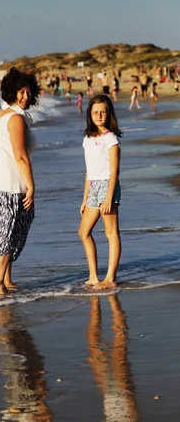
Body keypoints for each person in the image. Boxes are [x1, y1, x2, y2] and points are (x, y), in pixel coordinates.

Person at [0, 67, 40, 296]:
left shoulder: (2, 115)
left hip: (2, 179)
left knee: (18, 225)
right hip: (10, 183)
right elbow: (20, 156)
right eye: (21, 91)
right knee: (8, 231)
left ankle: (6, 278)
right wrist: (31, 186)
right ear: (11, 91)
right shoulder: (15, 118)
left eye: (29, 92)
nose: (25, 96)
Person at [78, 95, 122, 289]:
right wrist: (85, 197)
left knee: (111, 233)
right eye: (95, 112)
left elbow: (114, 171)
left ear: (108, 113)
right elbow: (89, 170)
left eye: (102, 112)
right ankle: (94, 276)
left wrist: (108, 198)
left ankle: (110, 278)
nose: (99, 115)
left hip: (107, 186)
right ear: (90, 114)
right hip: (93, 187)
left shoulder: (111, 139)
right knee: (83, 232)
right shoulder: (87, 138)